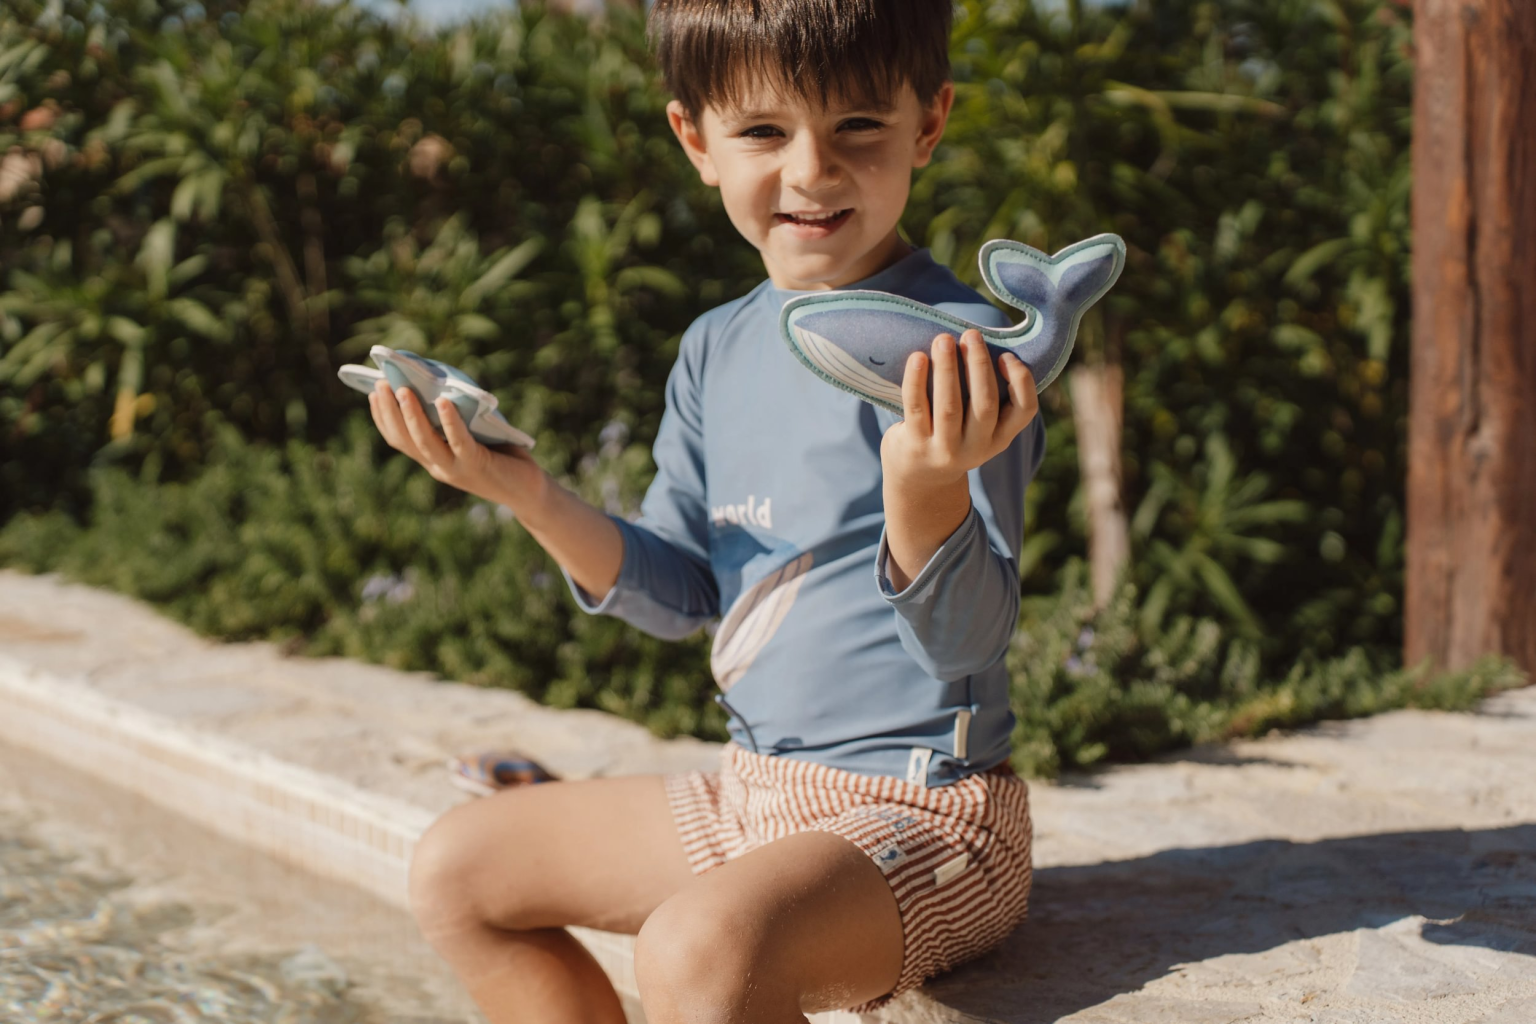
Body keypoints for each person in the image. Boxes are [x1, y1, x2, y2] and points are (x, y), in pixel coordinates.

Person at [369, 0, 1045, 1019]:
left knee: (695, 950)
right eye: (764, 130)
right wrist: (526, 492)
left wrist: (924, 486)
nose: (812, 170)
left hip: (931, 815)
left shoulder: (957, 353)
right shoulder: (715, 348)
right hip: (752, 793)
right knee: (455, 868)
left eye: (859, 125)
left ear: (930, 122)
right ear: (696, 140)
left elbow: (971, 639)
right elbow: (682, 591)